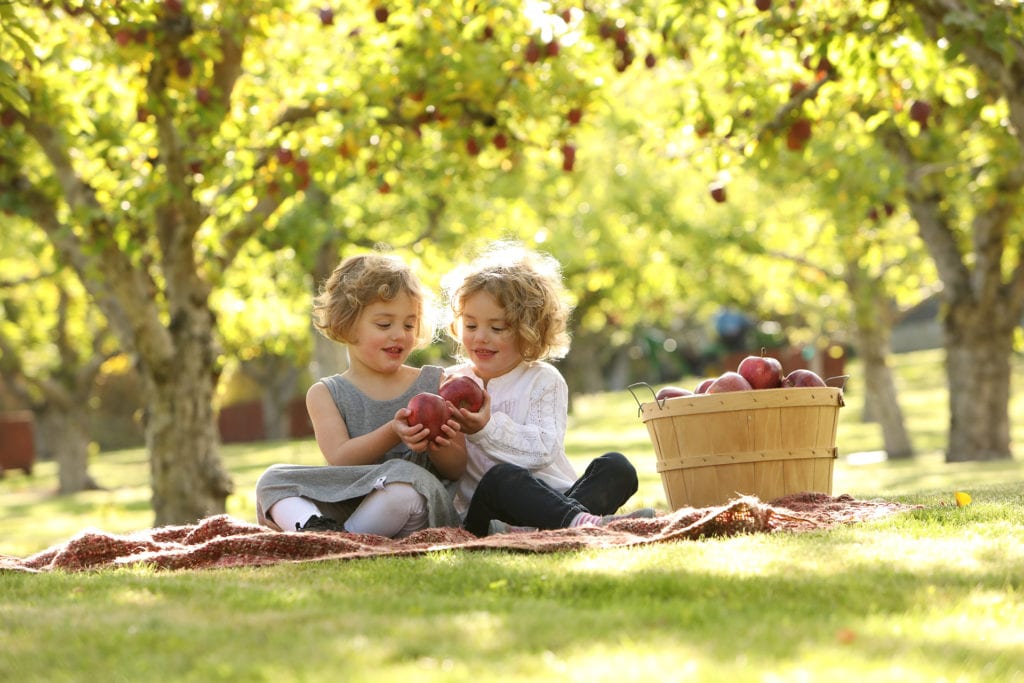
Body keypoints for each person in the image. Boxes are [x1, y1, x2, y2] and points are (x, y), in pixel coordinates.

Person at [441, 242, 653, 537]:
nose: (480, 338)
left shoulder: (543, 380)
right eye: (471, 325)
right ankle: (577, 523)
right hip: (486, 512)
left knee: (618, 468)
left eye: (497, 328)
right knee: (502, 477)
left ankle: (549, 525)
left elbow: (542, 449)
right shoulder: (447, 381)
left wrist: (486, 428)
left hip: (556, 496)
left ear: (530, 329)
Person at [255, 253, 464, 538]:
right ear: (347, 324)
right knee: (273, 480)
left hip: (411, 508)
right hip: (351, 502)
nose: (399, 335)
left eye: (409, 324)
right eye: (384, 324)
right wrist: (393, 431)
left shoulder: (435, 382)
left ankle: (338, 543)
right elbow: (341, 460)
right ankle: (321, 532)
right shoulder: (326, 393)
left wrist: (439, 440)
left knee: (405, 480)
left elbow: (456, 469)